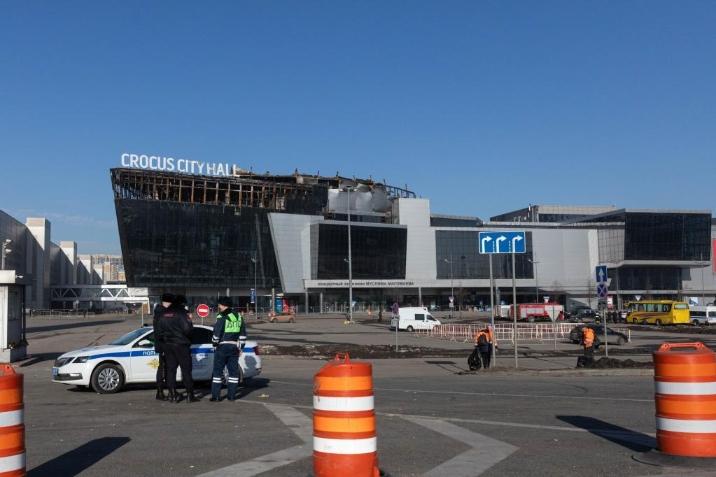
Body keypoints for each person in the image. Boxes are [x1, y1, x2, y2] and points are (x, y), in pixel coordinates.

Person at [156, 296, 198, 403]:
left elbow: (158, 331)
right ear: (182, 304)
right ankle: (190, 395)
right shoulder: (182, 313)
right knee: (186, 370)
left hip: (168, 345)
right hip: (181, 345)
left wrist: (166, 339)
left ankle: (172, 394)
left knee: (171, 370)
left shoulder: (163, 314)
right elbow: (187, 329)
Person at [210, 297, 247, 402]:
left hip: (222, 346)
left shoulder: (222, 316)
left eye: (219, 305)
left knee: (217, 372)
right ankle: (231, 396)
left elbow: (217, 332)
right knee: (233, 373)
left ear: (223, 305)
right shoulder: (239, 317)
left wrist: (214, 343)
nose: (218, 306)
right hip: (234, 347)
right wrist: (241, 347)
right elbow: (243, 334)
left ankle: (216, 396)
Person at [152, 293, 174, 401]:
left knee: (163, 368)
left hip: (161, 344)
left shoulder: (158, 312)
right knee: (165, 369)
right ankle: (163, 392)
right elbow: (162, 330)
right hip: (165, 344)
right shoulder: (162, 313)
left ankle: (161, 392)